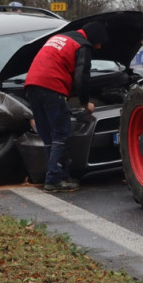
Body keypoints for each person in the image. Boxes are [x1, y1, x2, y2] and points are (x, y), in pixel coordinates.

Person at [23, 21, 108, 192]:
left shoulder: (60, 37)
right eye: (99, 42)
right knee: (61, 135)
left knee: (48, 136)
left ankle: (61, 176)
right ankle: (53, 180)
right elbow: (82, 77)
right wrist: (85, 103)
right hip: (53, 88)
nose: (99, 47)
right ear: (94, 38)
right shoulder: (82, 45)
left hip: (32, 86)